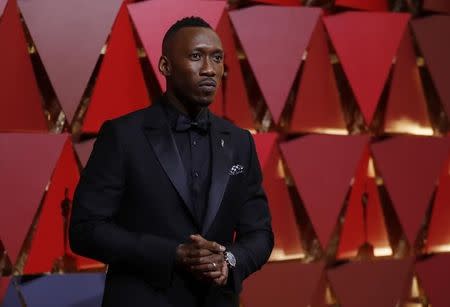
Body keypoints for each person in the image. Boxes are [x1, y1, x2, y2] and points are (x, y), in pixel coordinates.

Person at [69, 16, 273, 307]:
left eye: (217, 58)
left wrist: (228, 260)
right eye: (195, 56)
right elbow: (85, 230)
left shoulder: (241, 142)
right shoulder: (123, 135)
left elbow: (260, 233)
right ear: (165, 66)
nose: (209, 69)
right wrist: (172, 254)